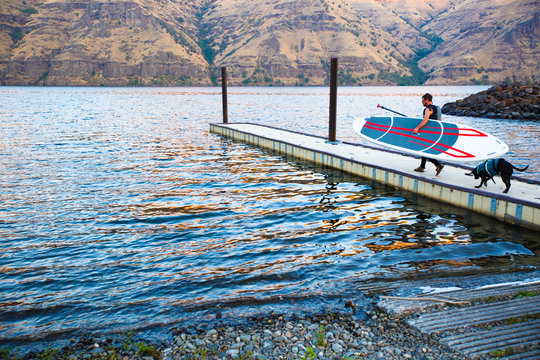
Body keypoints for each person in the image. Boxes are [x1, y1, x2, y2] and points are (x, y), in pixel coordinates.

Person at [413, 93, 444, 175]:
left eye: (422, 100)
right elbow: (440, 120)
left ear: (427, 99)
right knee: (424, 149)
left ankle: (438, 165)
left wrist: (417, 128)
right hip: (436, 133)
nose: (422, 102)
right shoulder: (437, 108)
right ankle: (422, 167)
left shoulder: (428, 109)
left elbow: (425, 120)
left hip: (429, 133)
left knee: (425, 150)